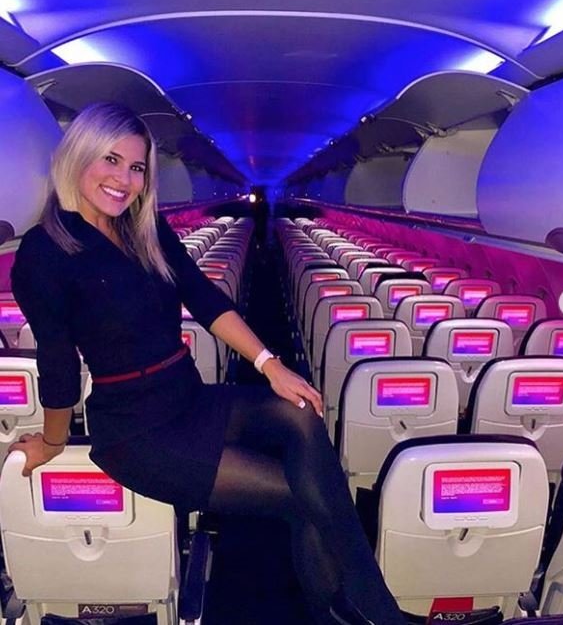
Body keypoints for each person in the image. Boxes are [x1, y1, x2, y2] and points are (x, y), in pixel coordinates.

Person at [9, 102, 405, 625]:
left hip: (187, 395)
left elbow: (204, 297)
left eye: (136, 167)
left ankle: (362, 608)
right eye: (111, 160)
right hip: (140, 432)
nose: (124, 180)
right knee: (303, 500)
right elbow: (58, 365)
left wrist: (270, 364)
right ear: (78, 155)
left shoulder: (143, 228)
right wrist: (52, 441)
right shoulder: (44, 252)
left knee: (302, 413)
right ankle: (375, 612)